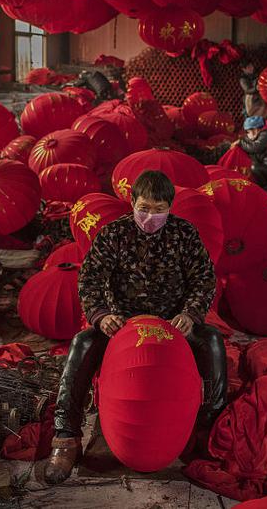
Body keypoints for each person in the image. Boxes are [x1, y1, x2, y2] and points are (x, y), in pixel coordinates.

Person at [45, 170, 226, 484]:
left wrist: (190, 314)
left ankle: (207, 432)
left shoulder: (184, 234)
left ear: (170, 207)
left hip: (173, 325)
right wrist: (101, 316)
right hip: (122, 326)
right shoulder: (113, 234)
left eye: (159, 210)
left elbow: (204, 281)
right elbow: (90, 280)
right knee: (82, 343)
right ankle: (66, 438)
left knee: (212, 341)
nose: (150, 216)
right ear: (132, 203)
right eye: (144, 208)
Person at [233, 116, 267, 194]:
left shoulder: (265, 136)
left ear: (255, 130)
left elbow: (254, 147)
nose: (247, 135)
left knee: (254, 167)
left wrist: (241, 142)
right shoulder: (262, 135)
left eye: (248, 132)